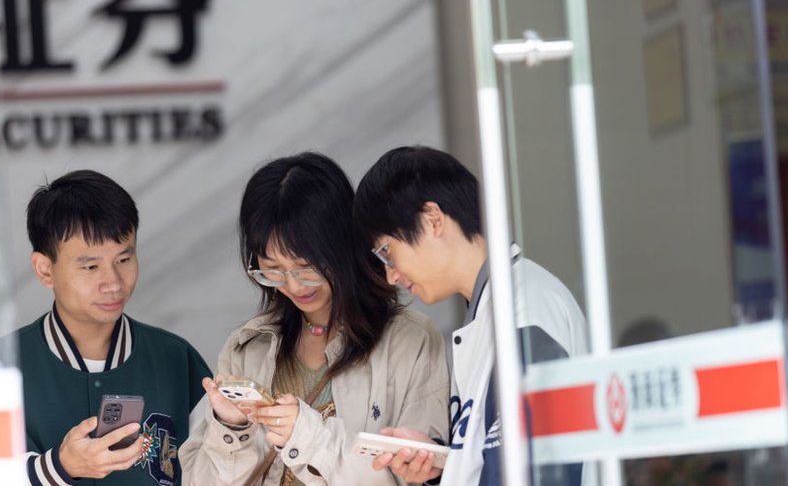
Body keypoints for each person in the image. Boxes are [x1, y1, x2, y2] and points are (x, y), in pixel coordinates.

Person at [179, 152, 450, 485]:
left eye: (306, 266)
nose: (292, 285)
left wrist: (305, 435)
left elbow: (418, 477)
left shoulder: (411, 342)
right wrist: (231, 429)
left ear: (342, 245)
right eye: (273, 270)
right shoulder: (247, 348)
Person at [352, 146, 590, 486]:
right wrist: (445, 465)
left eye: (387, 253)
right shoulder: (490, 311)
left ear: (432, 219)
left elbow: (540, 473)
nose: (391, 276)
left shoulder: (527, 312)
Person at [0, 170, 211, 486]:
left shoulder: (176, 359)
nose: (114, 282)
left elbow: (219, 469)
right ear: (44, 270)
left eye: (124, 258)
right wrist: (56, 467)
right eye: (91, 266)